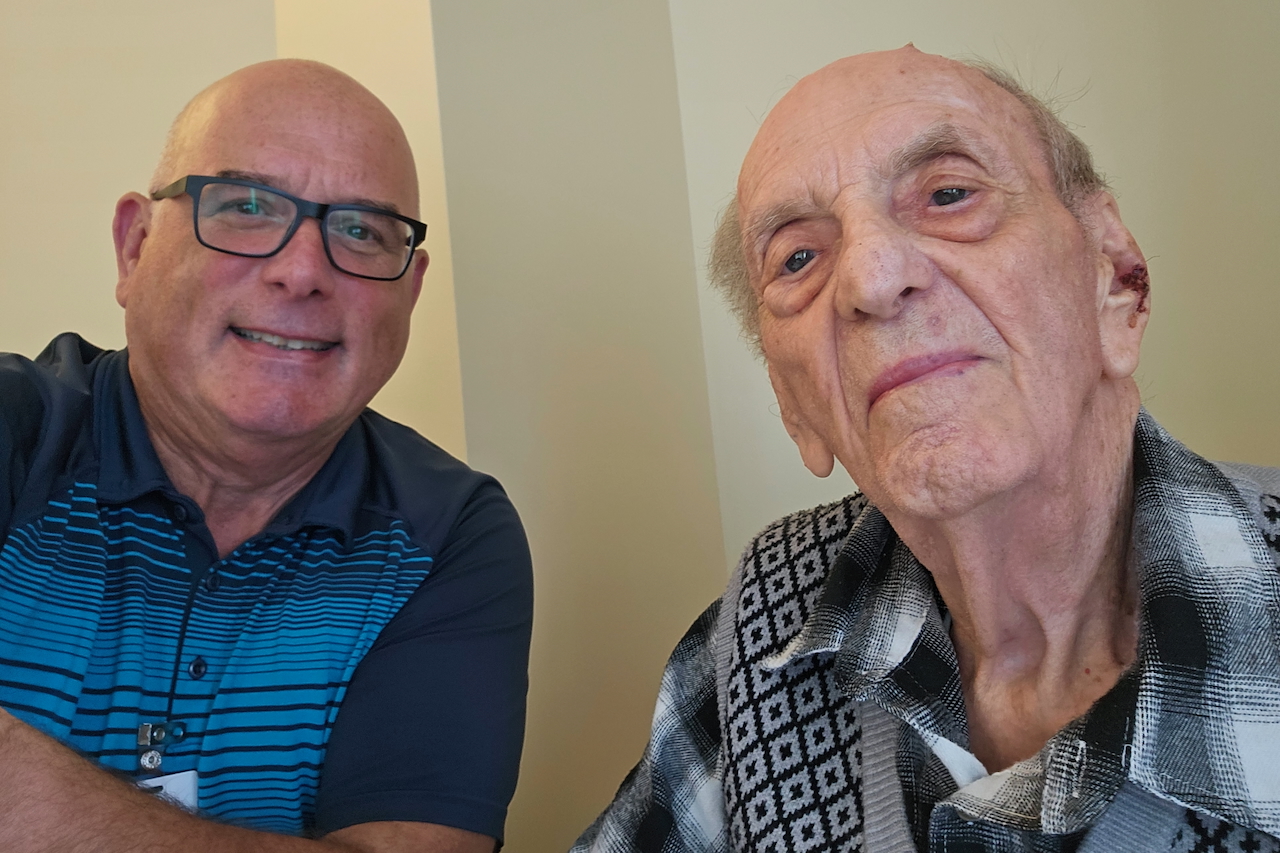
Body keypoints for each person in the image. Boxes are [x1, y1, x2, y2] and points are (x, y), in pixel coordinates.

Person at [574, 46, 1280, 852]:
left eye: (949, 195)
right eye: (798, 258)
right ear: (794, 406)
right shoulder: (766, 623)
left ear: (1118, 279)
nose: (871, 279)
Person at [0, 60, 532, 852]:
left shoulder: (448, 533)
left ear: (411, 292)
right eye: (246, 207)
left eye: (361, 230)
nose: (303, 272)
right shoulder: (16, 430)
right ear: (134, 247)